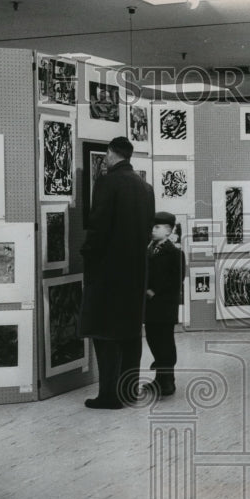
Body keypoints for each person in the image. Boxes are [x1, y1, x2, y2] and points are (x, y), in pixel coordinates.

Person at [79, 136, 155, 409]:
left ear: (111, 154)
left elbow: (98, 227)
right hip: (135, 271)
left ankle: (109, 395)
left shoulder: (107, 182)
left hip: (108, 271)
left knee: (105, 333)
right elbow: (148, 231)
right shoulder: (146, 188)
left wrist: (87, 254)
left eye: (106, 155)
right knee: (130, 333)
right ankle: (128, 392)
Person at [144, 211, 185, 397]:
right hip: (151, 307)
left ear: (168, 230)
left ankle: (168, 381)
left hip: (164, 306)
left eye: (157, 227)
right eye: (152, 226)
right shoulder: (149, 249)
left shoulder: (175, 253)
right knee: (153, 339)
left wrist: (154, 291)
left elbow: (175, 281)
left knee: (165, 342)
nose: (153, 230)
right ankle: (160, 379)